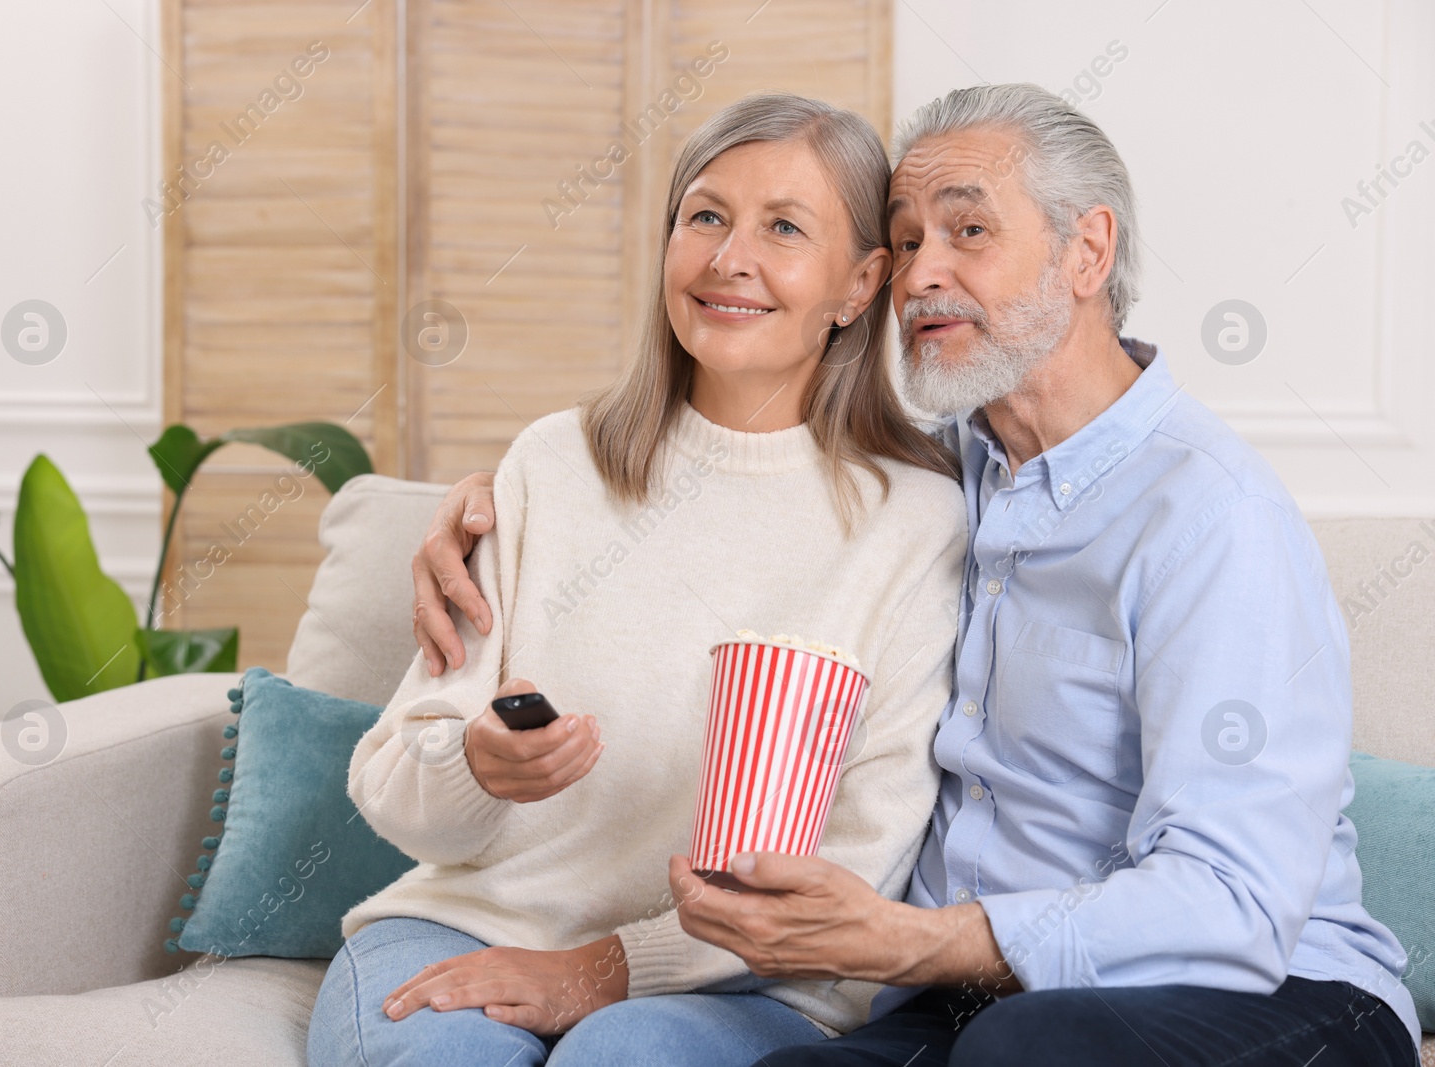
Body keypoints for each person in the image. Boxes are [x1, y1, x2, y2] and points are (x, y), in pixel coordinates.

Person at [409, 84, 1422, 1067]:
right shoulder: (945, 479)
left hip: (1272, 993)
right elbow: (743, 491)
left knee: (1031, 1045)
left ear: (1087, 250)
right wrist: (492, 506)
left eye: (968, 232)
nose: (919, 274)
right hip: (982, 997)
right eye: (903, 239)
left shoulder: (1208, 515)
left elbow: (1236, 902)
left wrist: (907, 941)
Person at [306, 91, 970, 1067]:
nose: (727, 258)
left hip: (749, 981)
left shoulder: (914, 522)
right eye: (704, 215)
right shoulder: (550, 465)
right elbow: (396, 788)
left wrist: (609, 966)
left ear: (860, 282)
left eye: (783, 227)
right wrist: (477, 769)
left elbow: (859, 857)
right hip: (467, 923)